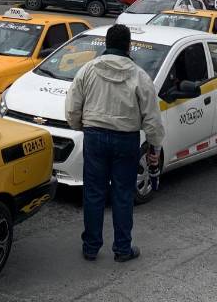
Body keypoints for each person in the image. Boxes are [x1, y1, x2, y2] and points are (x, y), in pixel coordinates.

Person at [66, 24, 165, 263]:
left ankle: (91, 247)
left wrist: (82, 126)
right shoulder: (140, 76)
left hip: (94, 136)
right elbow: (152, 118)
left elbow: (72, 108)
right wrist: (155, 146)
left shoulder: (88, 70)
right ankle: (122, 249)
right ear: (129, 46)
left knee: (94, 192)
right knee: (122, 194)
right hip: (126, 139)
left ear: (106, 44)